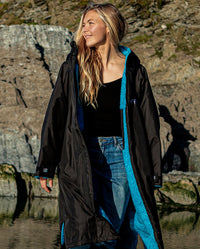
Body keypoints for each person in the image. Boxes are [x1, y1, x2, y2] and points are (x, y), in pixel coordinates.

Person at [35, 3, 164, 249]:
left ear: (109, 25)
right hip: (78, 156)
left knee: (110, 230)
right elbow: (56, 116)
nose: (84, 29)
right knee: (80, 229)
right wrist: (46, 166)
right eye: (83, 24)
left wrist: (154, 172)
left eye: (91, 22)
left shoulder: (133, 70)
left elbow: (149, 123)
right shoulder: (73, 67)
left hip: (119, 158)